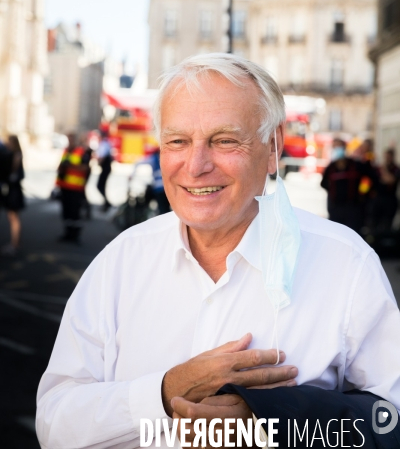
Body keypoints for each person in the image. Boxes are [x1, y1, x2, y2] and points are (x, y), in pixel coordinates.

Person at [36, 54, 400, 448]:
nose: (195, 166)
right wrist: (164, 391)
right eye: (178, 141)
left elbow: (390, 422)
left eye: (225, 140)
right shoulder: (122, 260)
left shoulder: (345, 265)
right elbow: (55, 422)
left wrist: (272, 424)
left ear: (273, 145)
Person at [320, 138, 368, 233]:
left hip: (353, 208)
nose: (337, 149)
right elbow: (323, 183)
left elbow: (367, 179)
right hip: (336, 208)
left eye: (339, 146)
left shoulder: (355, 166)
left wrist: (362, 193)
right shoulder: (331, 168)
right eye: (335, 147)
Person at [56, 133, 90, 243]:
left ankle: (75, 235)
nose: (70, 141)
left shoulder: (81, 151)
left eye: (72, 139)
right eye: (68, 139)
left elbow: (85, 168)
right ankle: (67, 233)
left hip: (76, 188)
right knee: (66, 212)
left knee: (75, 212)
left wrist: (70, 165)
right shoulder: (66, 150)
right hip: (64, 187)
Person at [0, 135, 25, 256]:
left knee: (13, 217)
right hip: (13, 190)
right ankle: (15, 243)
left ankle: (14, 244)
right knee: (13, 218)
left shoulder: (15, 155)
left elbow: (15, 173)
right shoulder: (14, 154)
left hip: (13, 192)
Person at [133, 145, 170, 215]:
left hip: (158, 188)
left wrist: (132, 175)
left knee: (162, 209)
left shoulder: (153, 159)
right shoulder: (168, 159)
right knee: (166, 209)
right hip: (167, 188)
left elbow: (138, 163)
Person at [375, 148, 400, 230]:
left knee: (387, 223)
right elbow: (381, 180)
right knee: (376, 222)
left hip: (390, 199)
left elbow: (390, 180)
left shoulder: (396, 169)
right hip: (379, 198)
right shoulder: (378, 169)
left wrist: (384, 169)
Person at [96, 130, 113, 211]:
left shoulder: (104, 144)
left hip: (105, 168)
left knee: (100, 185)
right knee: (101, 186)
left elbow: (102, 157)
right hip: (106, 168)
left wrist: (98, 163)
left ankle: (107, 203)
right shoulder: (105, 143)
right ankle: (106, 203)